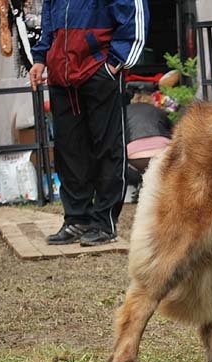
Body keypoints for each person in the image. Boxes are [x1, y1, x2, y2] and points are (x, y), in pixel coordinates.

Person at [29, 0, 149, 246]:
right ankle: (76, 218)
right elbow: (49, 16)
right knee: (69, 149)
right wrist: (41, 56)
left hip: (99, 69)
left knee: (107, 148)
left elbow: (133, 15)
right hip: (61, 73)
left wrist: (116, 63)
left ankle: (104, 223)